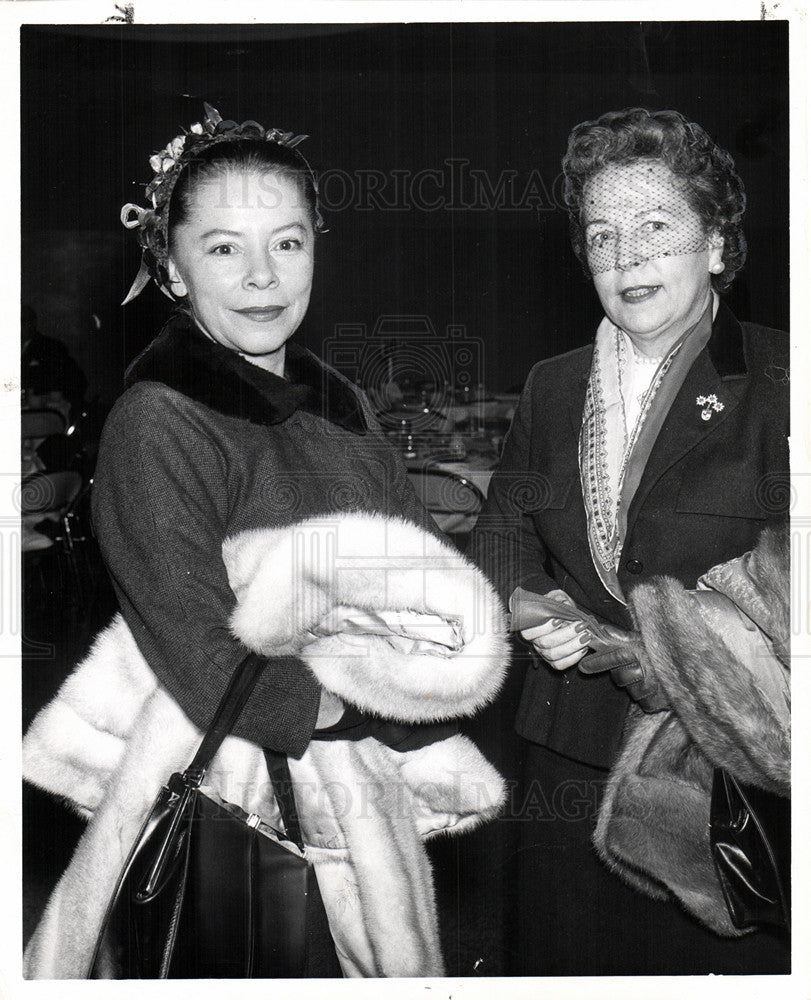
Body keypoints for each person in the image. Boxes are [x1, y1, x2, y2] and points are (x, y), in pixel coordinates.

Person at [22, 105, 509, 979]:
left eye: (286, 244)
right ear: (171, 269)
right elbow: (201, 651)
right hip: (239, 801)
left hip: (359, 799)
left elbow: (417, 570)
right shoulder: (160, 417)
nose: (261, 277)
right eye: (222, 249)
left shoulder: (342, 404)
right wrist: (358, 697)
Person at [468, 107, 789, 975]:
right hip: (567, 753)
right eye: (602, 235)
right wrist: (533, 605)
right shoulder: (553, 384)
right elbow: (500, 536)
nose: (626, 256)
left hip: (724, 768)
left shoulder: (782, 383)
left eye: (656, 227)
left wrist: (667, 648)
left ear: (716, 244)